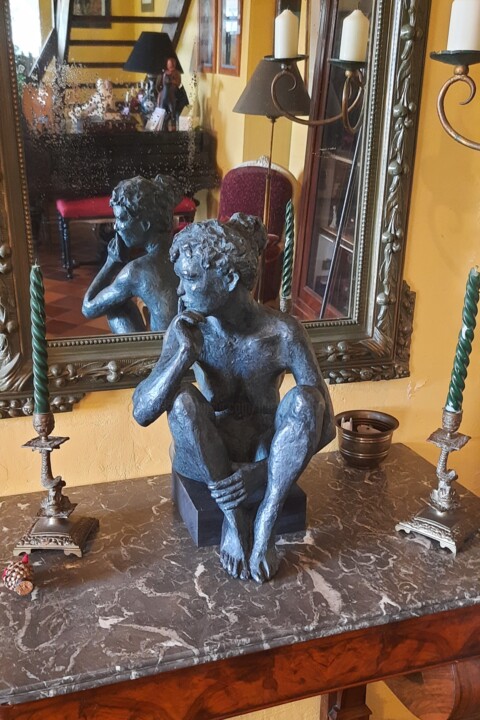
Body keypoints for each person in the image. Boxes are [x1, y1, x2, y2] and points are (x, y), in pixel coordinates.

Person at [133, 213, 335, 583]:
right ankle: (233, 516)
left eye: (190, 278)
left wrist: (261, 474)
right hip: (207, 457)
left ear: (229, 279)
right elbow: (142, 412)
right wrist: (182, 356)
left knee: (307, 401)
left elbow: (325, 426)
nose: (179, 291)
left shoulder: (283, 333)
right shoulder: (187, 331)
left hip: (266, 456)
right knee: (181, 400)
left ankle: (266, 521)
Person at [82, 174, 183, 334]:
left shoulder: (136, 271)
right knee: (118, 303)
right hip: (194, 343)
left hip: (163, 348)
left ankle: (136, 350)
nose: (116, 226)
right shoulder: (186, 251)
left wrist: (111, 263)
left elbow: (88, 308)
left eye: (122, 219)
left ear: (145, 225)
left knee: (115, 308)